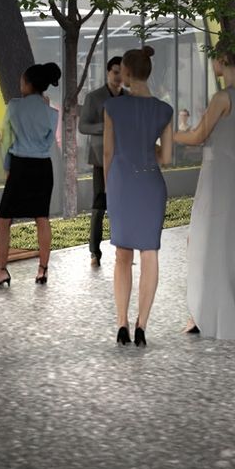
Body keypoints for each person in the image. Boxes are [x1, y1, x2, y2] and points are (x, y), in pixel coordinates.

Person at [173, 54, 235, 338]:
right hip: (233, 172)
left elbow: (199, 135)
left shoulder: (222, 97)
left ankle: (201, 313)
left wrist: (171, 135)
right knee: (228, 240)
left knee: (202, 237)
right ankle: (223, 313)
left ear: (223, 60)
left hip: (214, 175)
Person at [103, 45, 175, 344]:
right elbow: (167, 157)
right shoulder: (164, 110)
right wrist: (150, 148)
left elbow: (108, 152)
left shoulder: (113, 108)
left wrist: (110, 186)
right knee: (150, 253)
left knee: (122, 255)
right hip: (150, 184)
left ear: (127, 74)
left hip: (121, 183)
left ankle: (121, 323)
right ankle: (142, 326)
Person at [0, 61, 61, 286]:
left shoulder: (13, 106)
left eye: (22, 80)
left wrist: (7, 166)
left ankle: (1, 271)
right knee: (42, 218)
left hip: (20, 166)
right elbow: (49, 142)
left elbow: (6, 140)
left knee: (4, 220)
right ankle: (42, 270)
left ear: (28, 84)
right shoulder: (52, 113)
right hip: (42, 168)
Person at [82, 54, 128, 265]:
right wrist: (105, 127)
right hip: (101, 158)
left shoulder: (128, 98)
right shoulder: (94, 97)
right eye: (115, 72)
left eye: (122, 73)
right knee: (99, 205)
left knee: (123, 205)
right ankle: (94, 251)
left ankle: (124, 248)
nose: (118, 77)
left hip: (124, 158)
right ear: (108, 72)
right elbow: (83, 126)